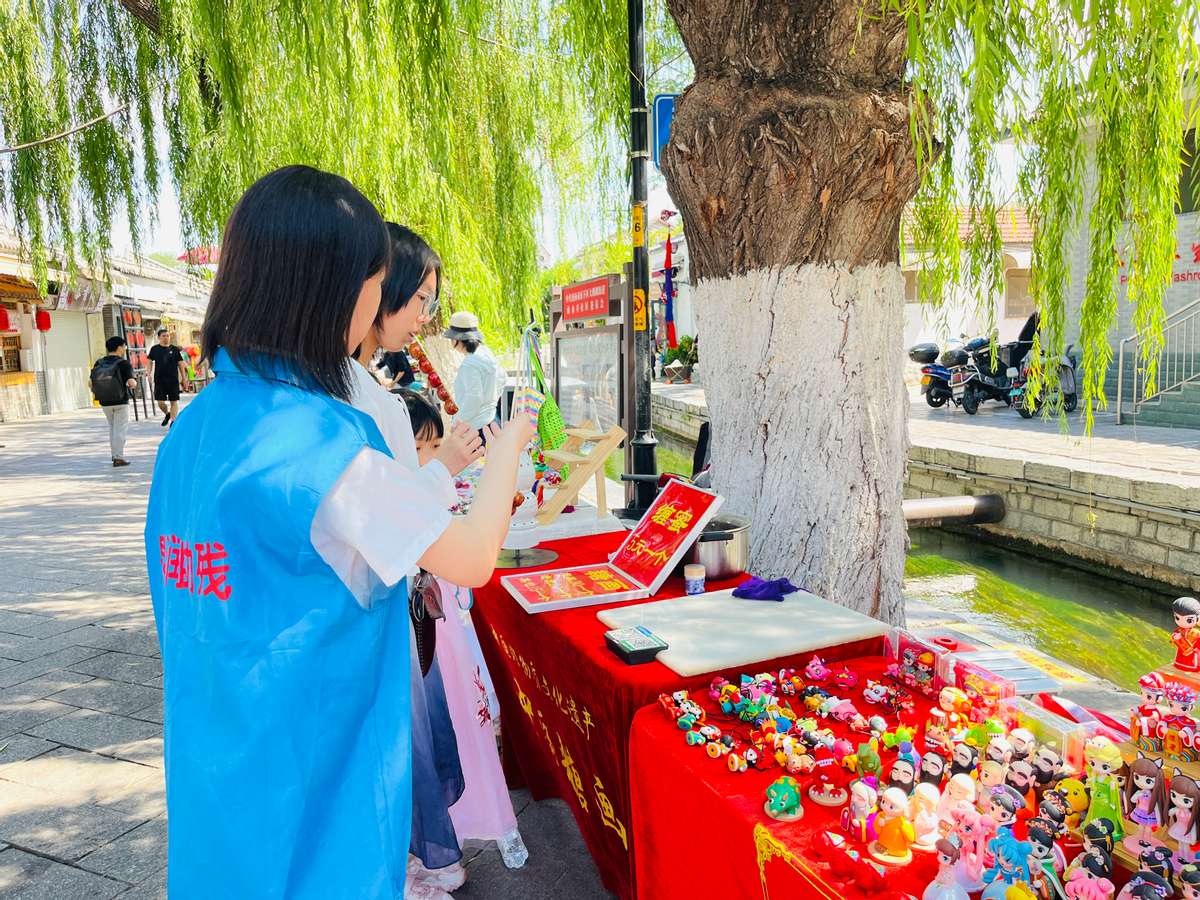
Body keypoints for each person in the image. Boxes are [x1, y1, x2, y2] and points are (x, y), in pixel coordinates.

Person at [144, 165, 535, 898]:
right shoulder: (326, 443)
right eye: (375, 284)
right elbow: (474, 558)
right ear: (331, 288)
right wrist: (507, 451)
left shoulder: (188, 432)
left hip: (216, 763)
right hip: (315, 782)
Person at [445, 311, 505, 437]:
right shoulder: (486, 353)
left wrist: (458, 422)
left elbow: (474, 397)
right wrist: (490, 403)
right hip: (492, 420)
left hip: (475, 427)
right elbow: (502, 378)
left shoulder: (469, 364)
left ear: (457, 339)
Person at [89, 335, 137, 467]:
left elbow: (90, 383)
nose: (125, 348)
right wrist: (134, 384)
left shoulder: (99, 363)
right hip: (121, 401)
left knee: (112, 428)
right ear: (119, 347)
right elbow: (131, 382)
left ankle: (115, 454)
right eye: (124, 346)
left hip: (105, 401)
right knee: (120, 429)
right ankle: (118, 457)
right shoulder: (123, 363)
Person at [147, 327, 188, 426]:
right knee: (160, 402)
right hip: (159, 380)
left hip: (173, 380)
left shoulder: (174, 349)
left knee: (173, 401)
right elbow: (149, 362)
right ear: (159, 337)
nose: (166, 338)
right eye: (163, 336)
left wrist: (184, 379)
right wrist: (149, 374)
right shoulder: (154, 349)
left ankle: (173, 421)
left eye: (168, 336)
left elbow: (181, 364)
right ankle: (167, 414)